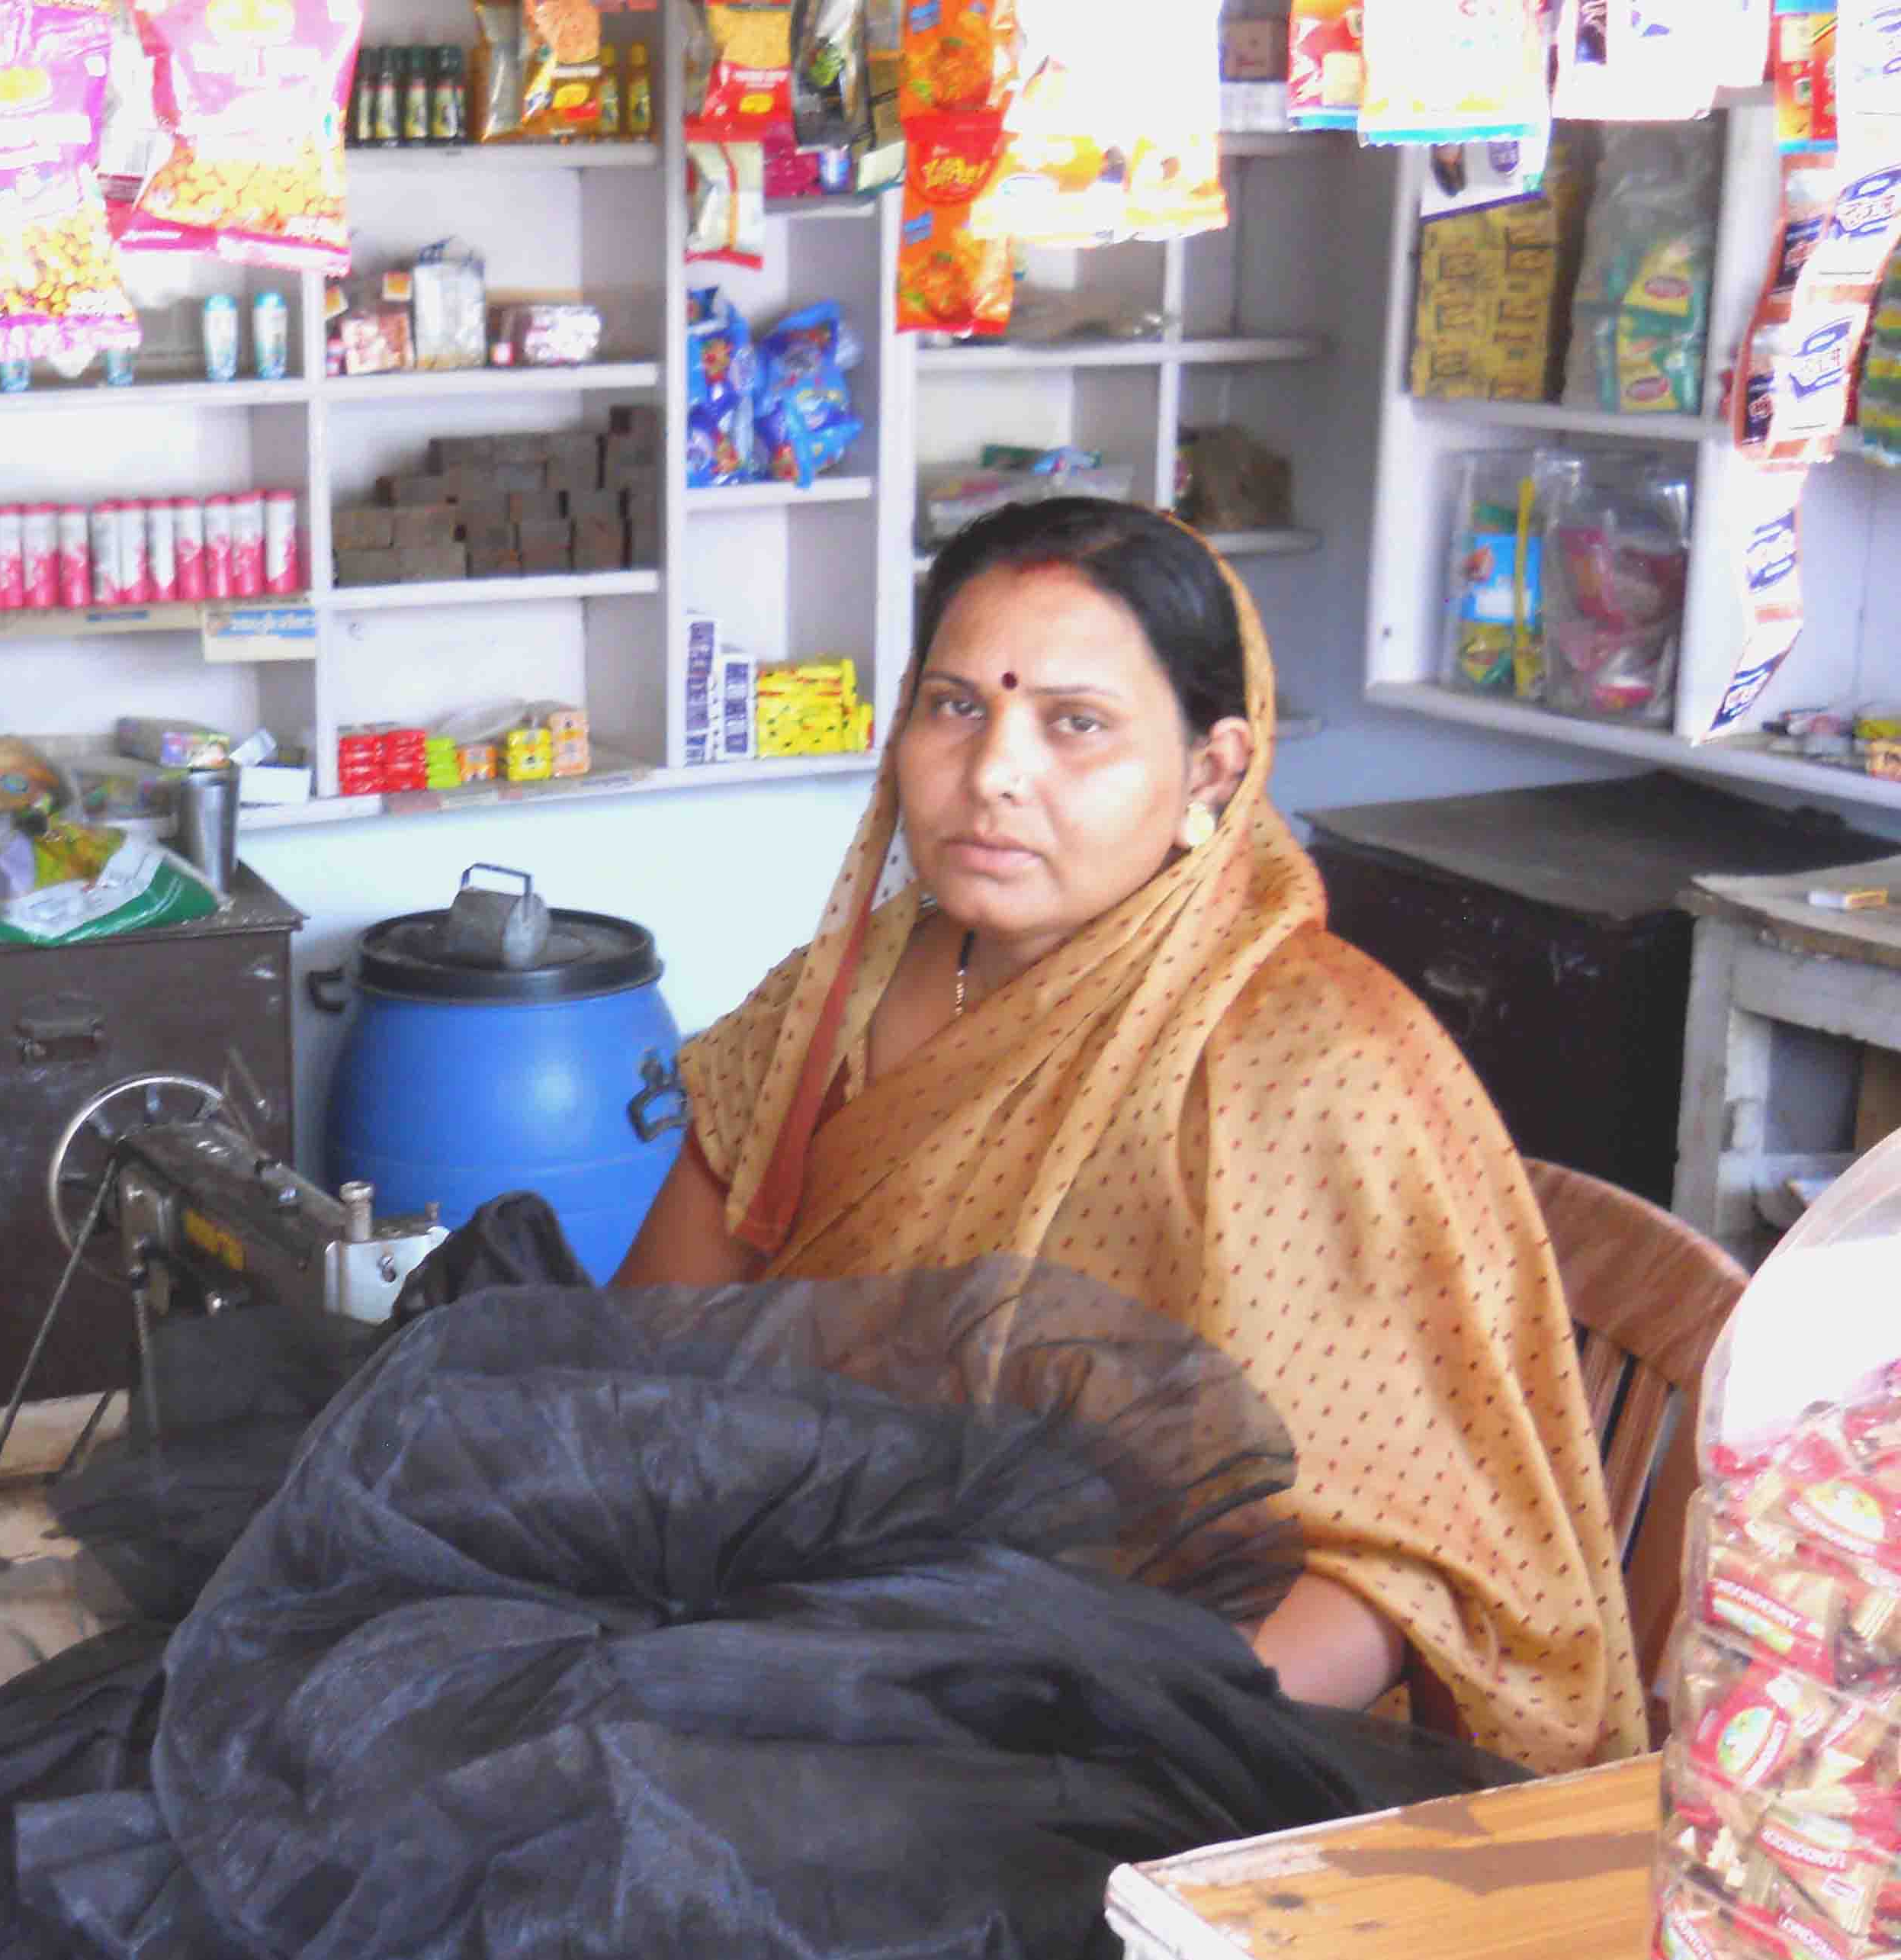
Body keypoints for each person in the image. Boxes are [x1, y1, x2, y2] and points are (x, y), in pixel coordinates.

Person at [617, 498, 1643, 1775]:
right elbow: (649, 1352)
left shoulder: (1312, 1062)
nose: (993, 771)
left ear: (1212, 770)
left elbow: (1400, 1577)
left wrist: (1069, 1742)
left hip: (1177, 1736)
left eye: (1076, 725)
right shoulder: (847, 992)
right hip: (838, 1633)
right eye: (954, 706)